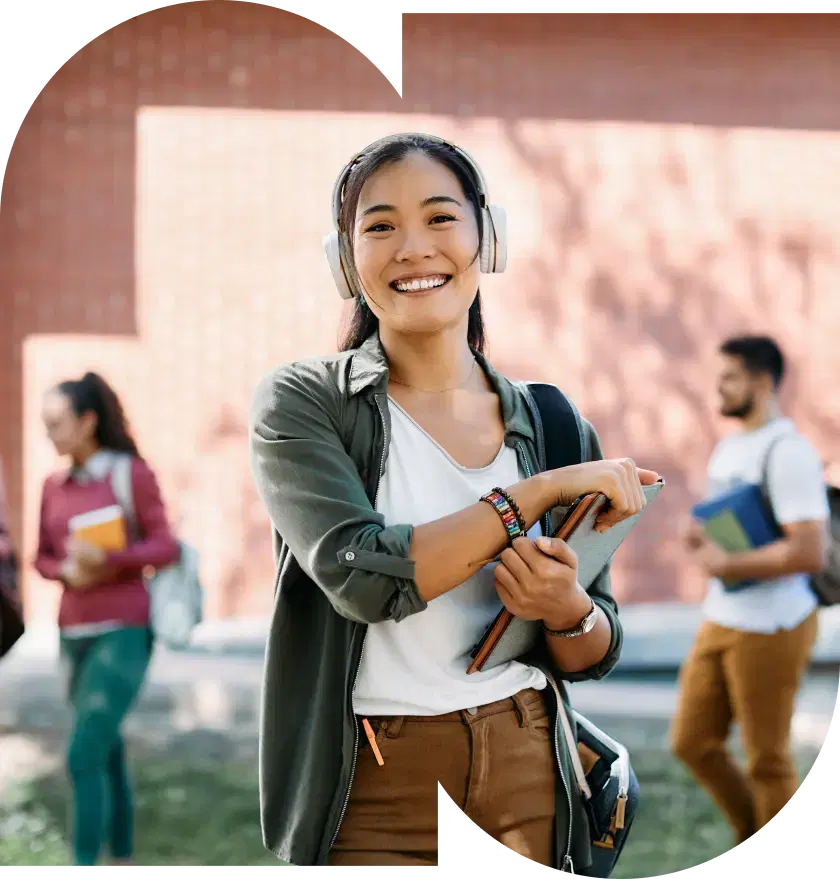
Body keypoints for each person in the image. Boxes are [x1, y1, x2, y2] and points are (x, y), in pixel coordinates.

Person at [249, 132, 659, 872]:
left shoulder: (555, 422)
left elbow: (594, 648)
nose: (412, 247)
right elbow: (367, 580)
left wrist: (566, 606)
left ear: (486, 238)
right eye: (379, 226)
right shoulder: (305, 405)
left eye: (440, 218)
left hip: (528, 767)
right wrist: (532, 495)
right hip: (377, 787)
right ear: (346, 261)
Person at [671, 335, 830, 847]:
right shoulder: (730, 446)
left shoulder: (790, 454)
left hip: (776, 624)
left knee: (767, 759)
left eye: (729, 378)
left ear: (762, 382)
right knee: (692, 742)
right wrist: (699, 535)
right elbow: (724, 521)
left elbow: (810, 552)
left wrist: (728, 561)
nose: (718, 388)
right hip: (722, 616)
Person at [34, 372, 180, 870]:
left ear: (87, 421)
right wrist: (64, 570)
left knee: (82, 753)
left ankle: (83, 863)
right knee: (106, 749)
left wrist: (110, 559)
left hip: (124, 630)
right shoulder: (52, 486)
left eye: (56, 424)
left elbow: (166, 546)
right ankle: (122, 858)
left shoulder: (128, 474)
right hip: (72, 631)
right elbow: (41, 558)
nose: (48, 434)